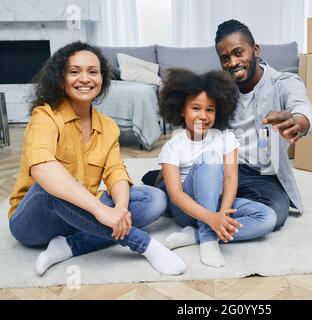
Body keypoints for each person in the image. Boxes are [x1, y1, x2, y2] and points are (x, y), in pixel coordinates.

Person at [8, 41, 185, 276]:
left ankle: (68, 246)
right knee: (50, 186)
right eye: (74, 71)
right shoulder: (45, 116)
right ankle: (143, 244)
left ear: (102, 79)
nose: (85, 78)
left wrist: (120, 209)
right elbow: (43, 169)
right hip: (34, 222)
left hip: (79, 215)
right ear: (61, 78)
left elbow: (115, 172)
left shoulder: (108, 126)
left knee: (155, 199)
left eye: (93, 72)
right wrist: (102, 212)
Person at [157, 69, 277, 267]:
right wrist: (210, 218)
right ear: (181, 110)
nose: (203, 116)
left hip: (219, 202)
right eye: (196, 108)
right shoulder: (172, 146)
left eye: (210, 109)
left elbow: (231, 179)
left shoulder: (226, 137)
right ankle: (208, 238)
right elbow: (176, 195)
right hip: (187, 209)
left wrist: (222, 215)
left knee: (267, 218)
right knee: (210, 158)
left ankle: (196, 235)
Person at [214, 19, 312, 230]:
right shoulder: (222, 89)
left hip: (262, 176)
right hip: (224, 168)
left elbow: (302, 109)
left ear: (255, 50)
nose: (232, 62)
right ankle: (225, 209)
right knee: (179, 189)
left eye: (238, 52)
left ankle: (210, 218)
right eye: (225, 58)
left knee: (276, 212)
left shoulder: (284, 82)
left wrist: (298, 122)